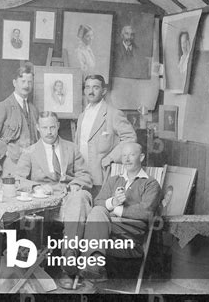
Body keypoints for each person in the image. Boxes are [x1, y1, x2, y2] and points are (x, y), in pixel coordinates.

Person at [14, 112, 93, 289]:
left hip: (70, 196)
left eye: (52, 127)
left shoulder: (71, 148)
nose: (49, 131)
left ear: (57, 125)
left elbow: (85, 175)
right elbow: (17, 179)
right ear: (38, 128)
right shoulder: (30, 151)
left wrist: (75, 183)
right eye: (44, 128)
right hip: (45, 202)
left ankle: (68, 264)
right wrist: (35, 186)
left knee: (79, 199)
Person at [79, 142, 161, 281]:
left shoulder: (150, 183)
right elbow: (98, 202)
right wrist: (113, 202)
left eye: (132, 155)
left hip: (131, 232)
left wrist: (117, 209)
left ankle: (93, 265)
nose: (127, 159)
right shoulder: (114, 180)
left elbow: (147, 211)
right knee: (97, 211)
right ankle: (95, 263)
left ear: (141, 157)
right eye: (124, 155)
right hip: (107, 229)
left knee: (88, 225)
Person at [75, 75, 136, 189]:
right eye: (87, 87)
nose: (91, 91)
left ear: (103, 91)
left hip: (101, 176)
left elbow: (130, 138)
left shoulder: (113, 113)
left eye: (95, 88)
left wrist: (111, 157)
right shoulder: (82, 116)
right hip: (82, 176)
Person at [0, 63, 39, 175]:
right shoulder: (4, 106)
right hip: (10, 164)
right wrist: (7, 152)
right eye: (23, 81)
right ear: (14, 83)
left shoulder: (34, 110)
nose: (26, 85)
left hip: (31, 164)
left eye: (30, 82)